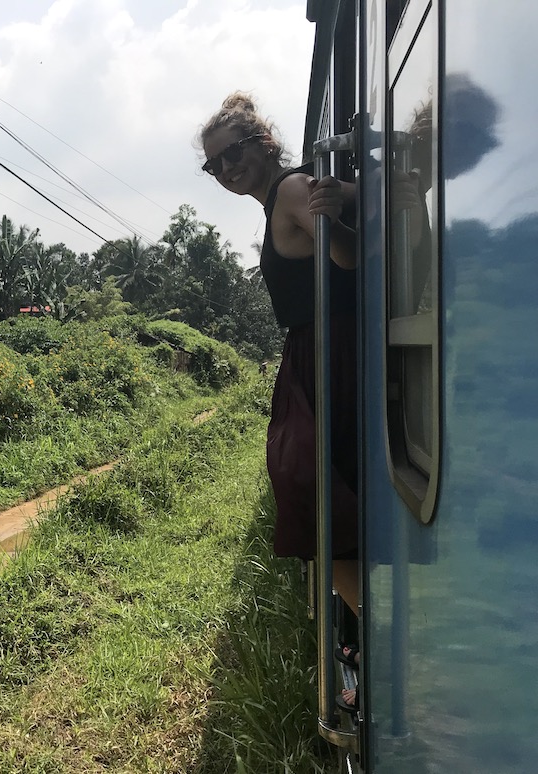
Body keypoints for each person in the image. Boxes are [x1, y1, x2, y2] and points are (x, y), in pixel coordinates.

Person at [197, 93, 361, 708]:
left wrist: (337, 215)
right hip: (315, 349)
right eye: (214, 164)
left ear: (263, 144)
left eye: (233, 153)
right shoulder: (285, 196)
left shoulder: (291, 191)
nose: (226, 169)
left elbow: (348, 257)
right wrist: (341, 204)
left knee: (308, 486)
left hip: (328, 350)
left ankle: (378, 636)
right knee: (309, 483)